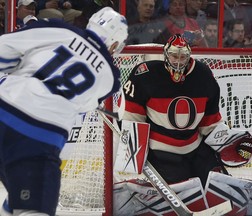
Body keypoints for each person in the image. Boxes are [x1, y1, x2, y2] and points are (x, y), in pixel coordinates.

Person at [0, 6, 128, 216]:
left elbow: (4, 49)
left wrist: (19, 70)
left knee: (17, 200)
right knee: (32, 209)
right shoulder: (110, 79)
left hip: (3, 106)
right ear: (114, 44)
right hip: (36, 137)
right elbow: (82, 106)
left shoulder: (61, 30)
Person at [120, 34, 227, 186]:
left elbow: (209, 122)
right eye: (174, 56)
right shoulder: (145, 75)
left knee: (218, 183)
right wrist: (134, 157)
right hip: (161, 153)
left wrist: (227, 142)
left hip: (195, 148)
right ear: (165, 55)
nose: (178, 61)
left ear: (189, 56)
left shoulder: (203, 75)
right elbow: (132, 118)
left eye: (182, 57)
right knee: (183, 187)